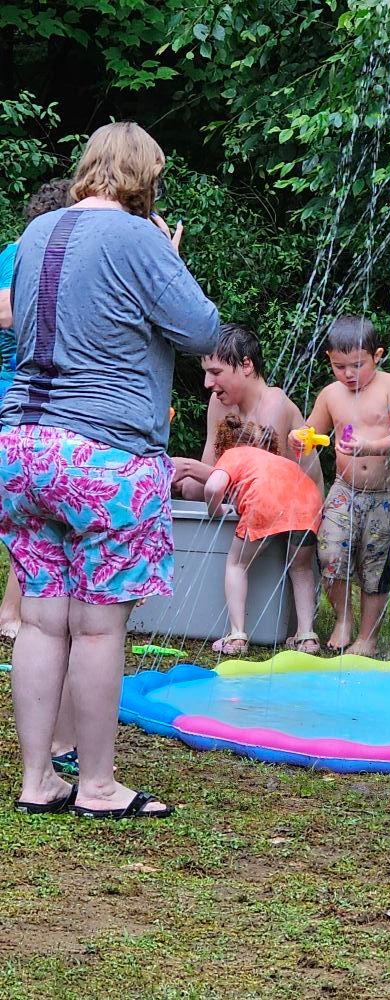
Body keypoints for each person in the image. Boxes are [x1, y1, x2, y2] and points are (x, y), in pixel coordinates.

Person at [0, 121, 219, 818]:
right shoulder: (135, 236)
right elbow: (203, 331)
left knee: (40, 619)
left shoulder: (38, 234)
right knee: (98, 626)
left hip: (22, 446)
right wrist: (167, 255)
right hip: (104, 455)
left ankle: (38, 782)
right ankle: (96, 785)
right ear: (144, 177)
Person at [288, 316, 390, 656]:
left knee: (375, 565)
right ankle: (343, 619)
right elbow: (311, 432)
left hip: (389, 493)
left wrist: (370, 447)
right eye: (340, 366)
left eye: (358, 365)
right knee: (329, 551)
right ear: (329, 359)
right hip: (345, 488)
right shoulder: (330, 395)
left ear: (377, 355)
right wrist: (298, 439)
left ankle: (367, 637)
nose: (349, 374)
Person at [0, 179, 72, 641]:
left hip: (39, 394)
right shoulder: (21, 250)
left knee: (31, 514)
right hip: (14, 390)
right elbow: (6, 313)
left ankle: (14, 613)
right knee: (25, 512)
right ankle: (12, 615)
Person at [205, 415, 322, 655]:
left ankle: (237, 636)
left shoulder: (233, 454)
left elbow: (213, 487)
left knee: (237, 564)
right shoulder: (275, 459)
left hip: (265, 502)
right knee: (301, 568)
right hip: (309, 500)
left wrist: (214, 510)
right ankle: (306, 637)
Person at [171, 323, 324, 498]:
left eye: (215, 372)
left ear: (246, 365)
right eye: (206, 373)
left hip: (296, 510)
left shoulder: (274, 403)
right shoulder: (219, 402)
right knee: (189, 487)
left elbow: (261, 484)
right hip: (252, 502)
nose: (207, 383)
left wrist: (189, 468)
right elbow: (211, 471)